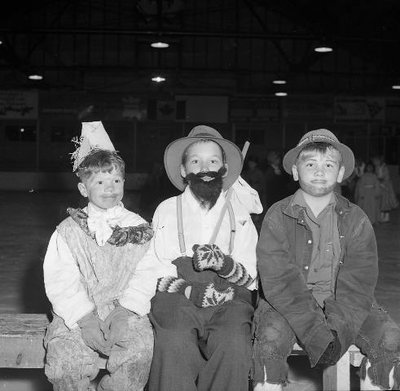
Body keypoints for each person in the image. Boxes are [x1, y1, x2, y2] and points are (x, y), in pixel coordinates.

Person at [253, 129, 400, 391]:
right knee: (269, 339)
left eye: (329, 165)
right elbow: (279, 280)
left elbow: (359, 281)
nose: (319, 171)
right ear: (296, 172)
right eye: (310, 164)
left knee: (390, 338)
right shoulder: (278, 216)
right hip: (287, 304)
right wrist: (314, 330)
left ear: (340, 173)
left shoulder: (357, 218)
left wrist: (338, 327)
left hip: (345, 302)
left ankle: (376, 381)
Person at [118, 125, 259, 391]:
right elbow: (155, 263)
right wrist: (188, 290)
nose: (205, 168)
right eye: (196, 161)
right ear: (184, 171)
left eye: (213, 161)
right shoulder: (167, 210)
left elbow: (250, 273)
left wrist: (226, 266)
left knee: (233, 342)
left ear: (224, 169)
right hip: (178, 297)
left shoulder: (239, 214)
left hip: (228, 297)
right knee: (173, 340)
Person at [43, 121, 154, 391]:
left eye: (116, 180)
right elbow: (61, 279)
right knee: (67, 361)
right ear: (83, 189)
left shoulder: (137, 226)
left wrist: (125, 310)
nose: (110, 188)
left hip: (124, 309)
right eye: (100, 182)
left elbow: (147, 271)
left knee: (138, 353)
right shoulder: (68, 231)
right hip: (79, 310)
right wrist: (85, 318)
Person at [372, 154, 399, 223]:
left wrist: (382, 183)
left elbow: (387, 177)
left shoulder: (384, 167)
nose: (374, 162)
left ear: (379, 161)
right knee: (381, 202)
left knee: (386, 202)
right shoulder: (377, 167)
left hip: (385, 187)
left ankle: (386, 217)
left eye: (375, 161)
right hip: (380, 185)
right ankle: (381, 216)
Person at [355, 161, 381, 225]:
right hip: (365, 194)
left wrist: (377, 193)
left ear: (373, 168)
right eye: (368, 167)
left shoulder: (374, 176)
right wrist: (361, 194)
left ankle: (373, 220)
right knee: (364, 207)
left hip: (372, 194)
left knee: (373, 207)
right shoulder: (363, 176)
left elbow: (377, 185)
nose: (370, 168)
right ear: (366, 168)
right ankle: (364, 221)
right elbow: (361, 186)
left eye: (371, 167)